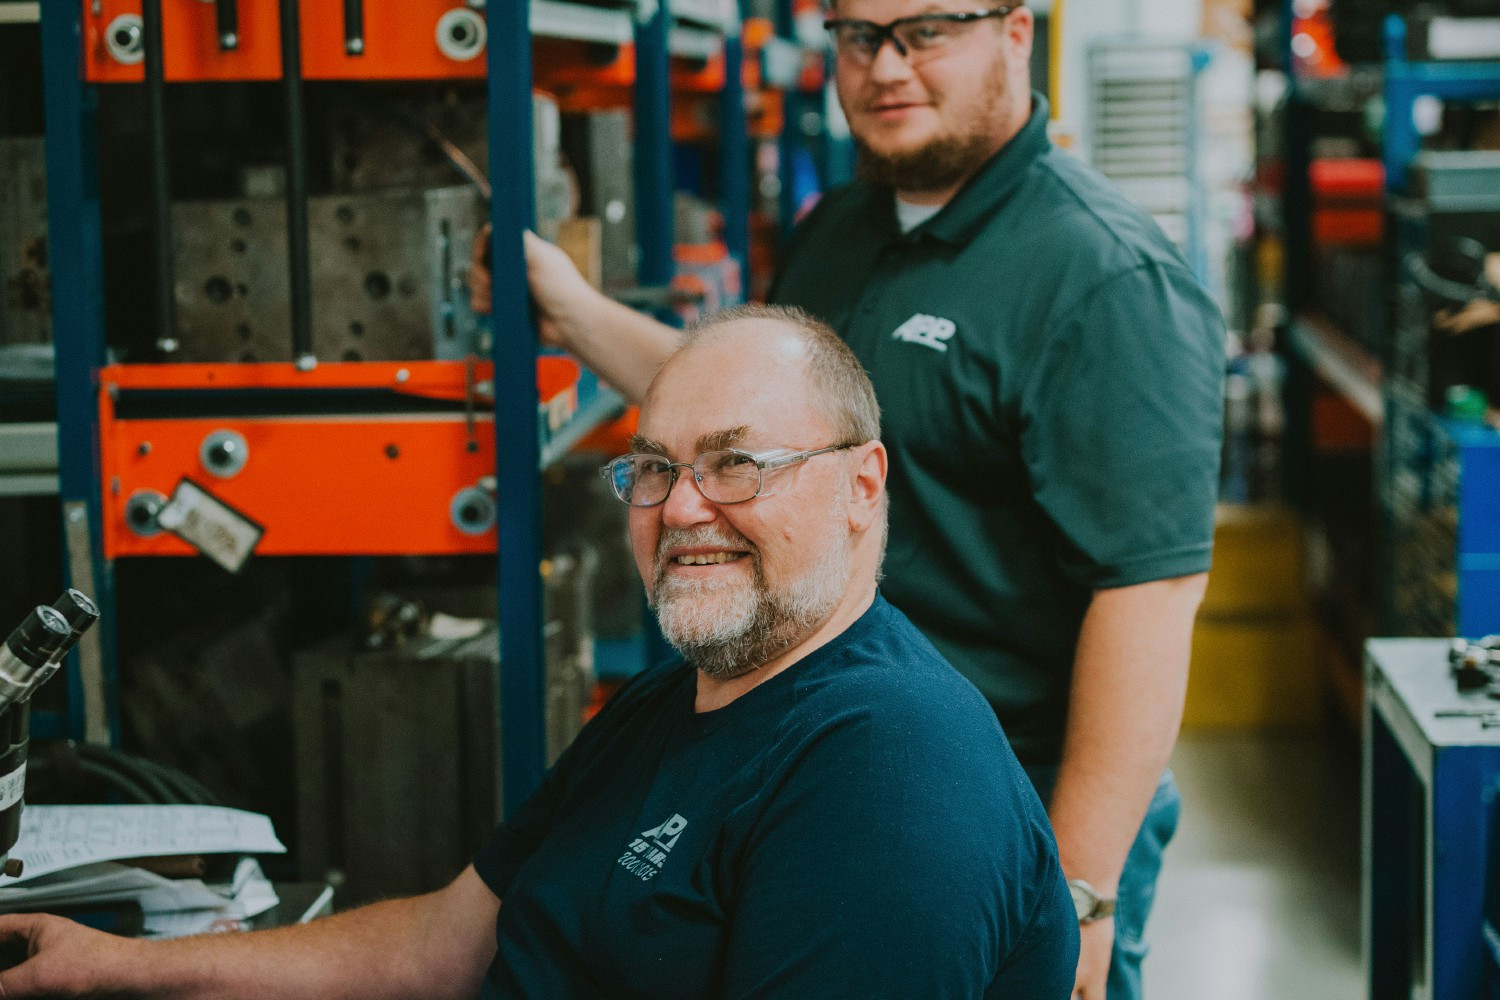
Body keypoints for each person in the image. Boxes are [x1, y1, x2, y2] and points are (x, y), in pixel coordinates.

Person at [0, 309, 1080, 999]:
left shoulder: (890, 763)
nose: (685, 506)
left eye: (737, 463)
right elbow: (442, 945)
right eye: (653, 469)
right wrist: (125, 970)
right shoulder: (673, 705)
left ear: (861, 487)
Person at [500, 3, 1227, 998]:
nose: (886, 66)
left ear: (1015, 34)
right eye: (858, 36)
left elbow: (1147, 596)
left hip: (1001, 806)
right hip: (825, 766)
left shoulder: (1103, 277)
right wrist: (574, 310)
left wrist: (1082, 886)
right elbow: (740, 438)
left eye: (925, 31)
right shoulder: (841, 230)